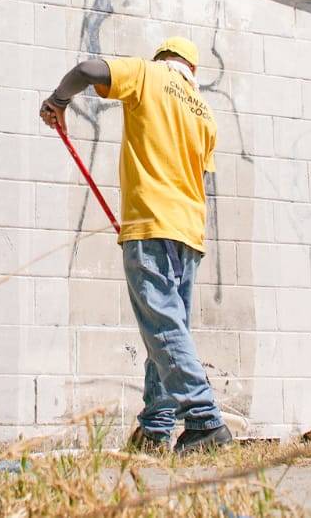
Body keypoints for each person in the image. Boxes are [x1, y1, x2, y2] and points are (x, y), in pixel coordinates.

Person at [39, 37, 231, 453]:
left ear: (163, 60)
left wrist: (59, 100)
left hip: (151, 225)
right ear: (192, 71)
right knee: (166, 330)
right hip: (189, 234)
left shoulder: (148, 74)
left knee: (161, 328)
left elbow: (89, 70)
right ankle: (156, 428)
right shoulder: (204, 112)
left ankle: (204, 421)